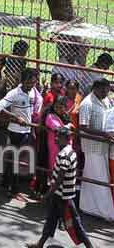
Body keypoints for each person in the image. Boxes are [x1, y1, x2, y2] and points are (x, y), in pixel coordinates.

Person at [25, 126, 94, 248]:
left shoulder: (65, 155)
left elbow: (58, 180)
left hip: (63, 196)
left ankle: (90, 246)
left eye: (59, 137)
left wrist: (47, 195)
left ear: (66, 139)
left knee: (75, 223)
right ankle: (40, 244)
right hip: (59, 194)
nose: (56, 139)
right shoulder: (67, 152)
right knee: (51, 221)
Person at [0, 67, 41, 199]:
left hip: (26, 131)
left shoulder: (32, 93)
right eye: (29, 82)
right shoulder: (14, 93)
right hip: (15, 132)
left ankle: (5, 184)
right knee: (15, 161)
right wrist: (15, 118)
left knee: (14, 160)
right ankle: (13, 190)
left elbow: (32, 110)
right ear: (23, 81)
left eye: (33, 82)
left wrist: (31, 129)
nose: (31, 85)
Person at [78, 77, 114, 221]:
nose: (107, 92)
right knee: (98, 177)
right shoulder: (87, 104)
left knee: (96, 176)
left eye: (108, 89)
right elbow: (83, 127)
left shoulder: (105, 100)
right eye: (104, 90)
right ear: (96, 89)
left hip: (104, 145)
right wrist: (104, 134)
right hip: (93, 146)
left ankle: (88, 206)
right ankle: (103, 211)